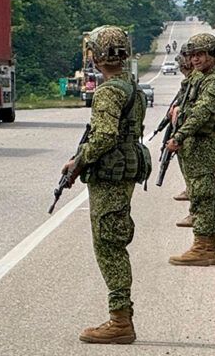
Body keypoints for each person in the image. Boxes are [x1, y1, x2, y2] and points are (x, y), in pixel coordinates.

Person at [61, 25, 149, 344]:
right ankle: (120, 317)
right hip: (124, 169)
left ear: (96, 57)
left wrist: (78, 160)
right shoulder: (133, 88)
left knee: (108, 244)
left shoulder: (109, 91)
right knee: (114, 237)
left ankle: (120, 320)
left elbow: (104, 135)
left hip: (111, 173)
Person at [164, 33, 215, 266]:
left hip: (202, 142)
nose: (195, 59)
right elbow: (186, 101)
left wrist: (179, 135)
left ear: (212, 54)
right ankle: (201, 245)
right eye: (192, 55)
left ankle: (204, 248)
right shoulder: (199, 77)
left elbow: (202, 112)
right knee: (197, 192)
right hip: (192, 143)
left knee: (204, 195)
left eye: (200, 55)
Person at [172, 52, 194, 209]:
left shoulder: (199, 82)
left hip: (194, 134)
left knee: (199, 181)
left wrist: (178, 137)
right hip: (187, 132)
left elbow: (198, 112)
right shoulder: (189, 82)